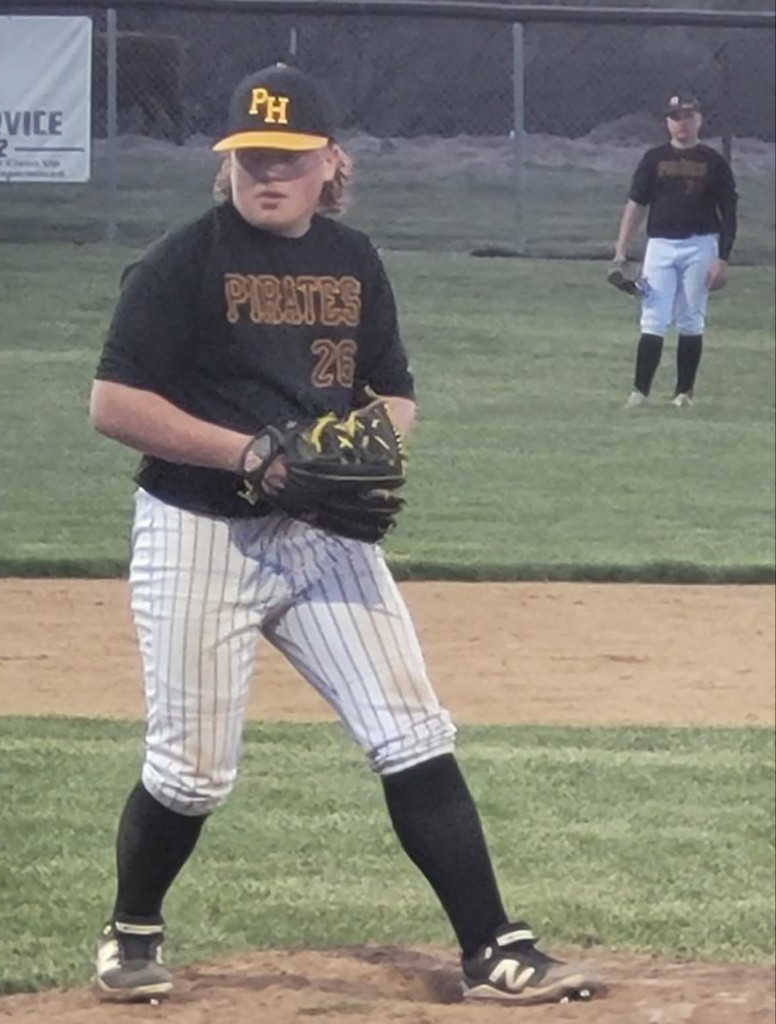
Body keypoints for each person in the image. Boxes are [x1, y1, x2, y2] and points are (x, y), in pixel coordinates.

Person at [88, 61, 604, 1007]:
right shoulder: (180, 262)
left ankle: (495, 947)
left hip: (321, 533)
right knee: (192, 773)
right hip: (198, 531)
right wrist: (250, 453)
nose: (266, 172)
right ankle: (132, 930)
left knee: (411, 731)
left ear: (330, 162)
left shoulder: (355, 260)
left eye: (287, 156)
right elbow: (113, 404)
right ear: (227, 163)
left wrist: (359, 452)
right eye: (250, 155)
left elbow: (393, 395)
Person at [613, 91, 738, 409]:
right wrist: (621, 251)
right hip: (660, 245)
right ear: (667, 123)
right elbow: (636, 205)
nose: (682, 123)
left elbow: (729, 212)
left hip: (701, 243)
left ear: (700, 120)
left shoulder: (713, 162)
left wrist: (722, 258)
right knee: (653, 316)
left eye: (688, 116)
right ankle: (640, 391)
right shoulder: (654, 159)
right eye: (675, 117)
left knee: (691, 317)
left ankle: (684, 392)